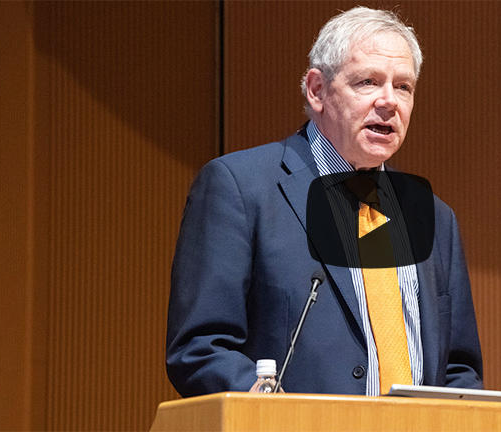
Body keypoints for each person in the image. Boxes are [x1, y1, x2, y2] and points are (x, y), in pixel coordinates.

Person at [166, 7, 483, 397]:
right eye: (367, 82)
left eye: (403, 87)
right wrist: (278, 411)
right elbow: (201, 349)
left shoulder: (434, 215)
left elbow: (458, 368)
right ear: (317, 90)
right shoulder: (241, 188)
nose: (389, 101)